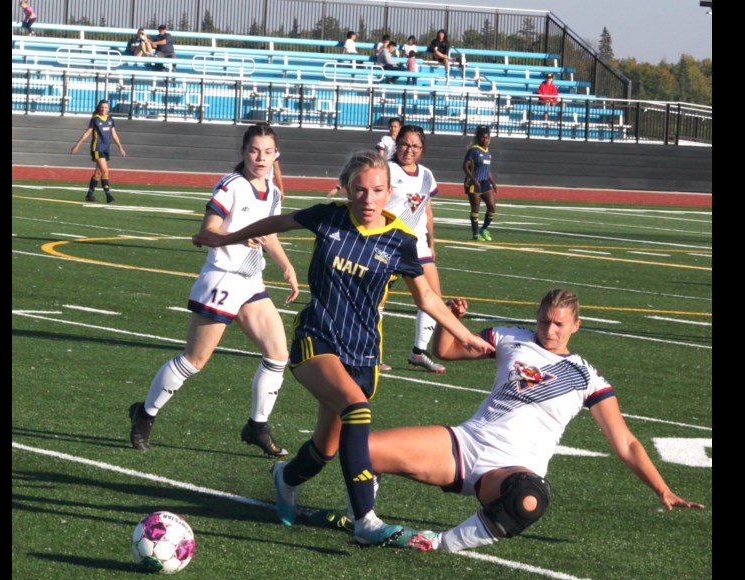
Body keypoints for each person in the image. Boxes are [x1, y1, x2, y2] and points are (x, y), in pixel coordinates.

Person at [192, 150, 494, 547]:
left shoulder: (401, 240)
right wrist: (224, 236)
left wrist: (468, 336)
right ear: (348, 190)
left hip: (363, 351)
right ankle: (365, 520)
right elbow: (275, 223)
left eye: (378, 190)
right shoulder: (328, 216)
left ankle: (284, 478)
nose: (368, 199)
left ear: (390, 192)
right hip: (316, 338)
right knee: (357, 409)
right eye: (360, 190)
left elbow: (428, 299)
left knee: (326, 448)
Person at [319, 290, 706, 552]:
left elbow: (625, 442)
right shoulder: (509, 338)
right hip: (464, 444)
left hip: (511, 469)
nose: (550, 330)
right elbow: (448, 351)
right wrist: (447, 321)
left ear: (576, 326)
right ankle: (362, 518)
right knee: (360, 450)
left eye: (559, 324)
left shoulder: (587, 377)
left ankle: (437, 543)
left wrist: (662, 489)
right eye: (545, 321)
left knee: (528, 500)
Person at [127, 124, 300, 457]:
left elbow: (270, 233)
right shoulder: (231, 184)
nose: (260, 158)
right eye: (254, 150)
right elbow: (205, 232)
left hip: (251, 281)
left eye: (267, 152)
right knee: (195, 360)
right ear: (243, 152)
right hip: (222, 278)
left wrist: (286, 266)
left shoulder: (274, 191)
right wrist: (235, 237)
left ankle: (257, 426)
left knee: (278, 355)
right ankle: (144, 414)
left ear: (276, 155)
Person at [385, 125, 446, 374]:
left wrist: (432, 242)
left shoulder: (427, 175)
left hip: (417, 244)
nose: (409, 150)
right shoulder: (385, 169)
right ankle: (368, 353)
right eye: (405, 144)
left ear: (422, 150)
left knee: (432, 299)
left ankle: (418, 352)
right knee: (375, 300)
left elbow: (427, 211)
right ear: (396, 143)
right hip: (387, 242)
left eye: (415, 146)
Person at [70, 100, 126, 203]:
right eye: (102, 107)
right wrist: (77, 145)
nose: (103, 109)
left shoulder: (110, 119)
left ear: (108, 108)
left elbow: (114, 134)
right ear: (99, 108)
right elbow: (87, 133)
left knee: (98, 172)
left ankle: (89, 195)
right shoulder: (95, 119)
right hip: (97, 148)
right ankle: (108, 195)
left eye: (105, 107)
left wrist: (120, 148)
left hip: (106, 148)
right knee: (105, 171)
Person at [463, 125, 498, 241]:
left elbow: (487, 171)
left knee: (492, 207)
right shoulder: (473, 150)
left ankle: (484, 229)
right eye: (483, 138)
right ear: (479, 138)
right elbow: (465, 166)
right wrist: (473, 179)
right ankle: (476, 234)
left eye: (487, 138)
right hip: (474, 183)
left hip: (485, 183)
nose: (485, 140)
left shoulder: (488, 153)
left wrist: (493, 183)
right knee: (475, 209)